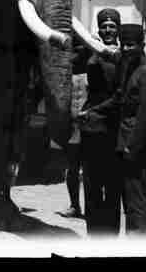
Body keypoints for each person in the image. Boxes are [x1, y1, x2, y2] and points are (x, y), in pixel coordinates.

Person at [114, 23, 146, 235]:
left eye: (131, 45)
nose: (126, 49)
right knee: (129, 199)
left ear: (142, 45)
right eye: (123, 44)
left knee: (137, 199)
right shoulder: (130, 69)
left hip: (140, 147)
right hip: (127, 143)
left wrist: (131, 147)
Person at [79, 7, 123, 234]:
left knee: (113, 185)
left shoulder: (124, 55)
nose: (107, 30)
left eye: (112, 26)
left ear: (118, 29)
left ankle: (111, 235)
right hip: (91, 127)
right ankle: (93, 233)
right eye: (104, 26)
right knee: (91, 184)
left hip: (113, 127)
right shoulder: (91, 51)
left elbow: (121, 94)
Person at [57, 45, 90, 219]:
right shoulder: (66, 76)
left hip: (89, 129)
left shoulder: (92, 74)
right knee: (72, 169)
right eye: (74, 52)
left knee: (89, 171)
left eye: (79, 52)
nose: (75, 55)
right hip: (72, 129)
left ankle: (92, 207)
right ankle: (74, 205)